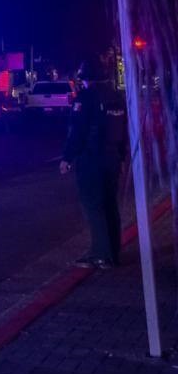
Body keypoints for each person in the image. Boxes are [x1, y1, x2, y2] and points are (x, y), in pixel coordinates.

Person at [59, 59, 122, 268]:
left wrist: (67, 158)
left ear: (86, 79)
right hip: (112, 159)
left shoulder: (85, 98)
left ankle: (101, 255)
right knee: (110, 205)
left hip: (91, 159)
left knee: (94, 206)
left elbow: (77, 131)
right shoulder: (116, 96)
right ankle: (113, 251)